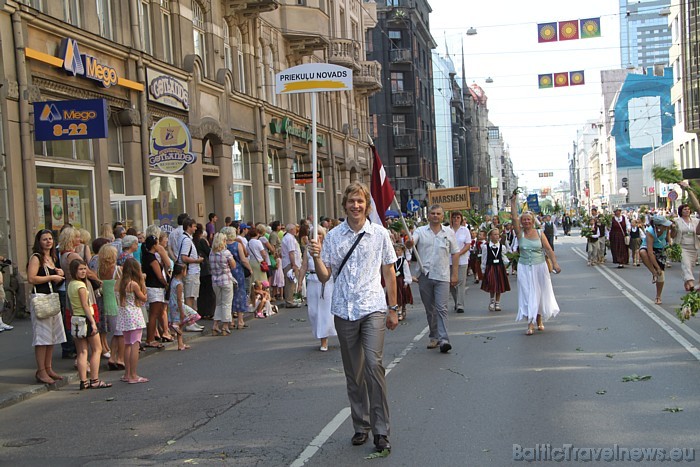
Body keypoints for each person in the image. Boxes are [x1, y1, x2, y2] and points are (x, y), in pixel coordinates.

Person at [308, 181, 398, 454]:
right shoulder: (334, 237)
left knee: (374, 366)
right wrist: (315, 257)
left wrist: (393, 308)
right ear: (345, 205)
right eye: (351, 202)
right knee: (354, 373)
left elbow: (389, 273)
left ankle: (381, 431)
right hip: (344, 310)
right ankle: (361, 425)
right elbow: (325, 276)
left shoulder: (379, 234)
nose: (356, 206)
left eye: (360, 202)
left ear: (367, 206)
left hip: (373, 307)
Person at [406, 204, 459, 353]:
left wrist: (454, 274)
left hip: (442, 275)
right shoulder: (420, 231)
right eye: (433, 213)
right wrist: (409, 243)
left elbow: (455, 253)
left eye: (438, 214)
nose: (435, 216)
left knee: (442, 308)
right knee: (430, 309)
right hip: (425, 275)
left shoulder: (448, 232)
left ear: (443, 216)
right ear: (428, 215)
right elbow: (412, 241)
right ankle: (434, 336)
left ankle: (444, 340)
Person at [510, 193, 561, 336]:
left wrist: (555, 264)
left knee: (539, 293)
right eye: (524, 220)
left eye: (528, 220)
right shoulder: (520, 234)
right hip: (524, 267)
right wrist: (513, 203)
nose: (526, 222)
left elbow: (548, 249)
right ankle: (530, 323)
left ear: (533, 221)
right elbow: (514, 218)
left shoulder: (539, 233)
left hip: (540, 267)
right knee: (527, 294)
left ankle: (539, 320)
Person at [27, 229, 66, 384]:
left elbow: (58, 278)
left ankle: (48, 368)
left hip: (52, 298)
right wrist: (51, 276)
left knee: (51, 336)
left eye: (50, 239)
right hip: (41, 298)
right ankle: (41, 371)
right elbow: (31, 278)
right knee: (42, 337)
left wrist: (60, 273)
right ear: (39, 241)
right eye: (44, 239)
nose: (48, 241)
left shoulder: (53, 257)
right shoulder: (37, 257)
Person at [67, 259, 111, 390]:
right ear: (74, 271)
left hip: (75, 319)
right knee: (97, 349)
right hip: (86, 318)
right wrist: (93, 322)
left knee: (82, 352)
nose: (83, 272)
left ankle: (83, 381)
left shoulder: (71, 284)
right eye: (80, 269)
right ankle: (94, 379)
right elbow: (85, 305)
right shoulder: (81, 286)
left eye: (84, 269)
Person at [298, 226, 336, 350]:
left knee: (325, 312)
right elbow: (304, 266)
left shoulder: (328, 248)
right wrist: (299, 283)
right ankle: (322, 334)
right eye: (314, 234)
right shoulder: (307, 250)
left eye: (320, 234)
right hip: (312, 281)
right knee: (313, 312)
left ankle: (324, 340)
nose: (317, 236)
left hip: (326, 282)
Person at [117, 258, 149, 383]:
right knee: (135, 344)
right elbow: (143, 297)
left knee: (127, 344)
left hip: (124, 315)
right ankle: (134, 375)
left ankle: (127, 374)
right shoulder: (134, 284)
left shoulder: (121, 283)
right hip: (134, 314)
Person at [97, 245, 125, 372]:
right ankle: (120, 357)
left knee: (116, 333)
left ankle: (112, 357)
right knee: (121, 334)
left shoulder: (99, 271)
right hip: (116, 302)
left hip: (105, 304)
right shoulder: (117, 270)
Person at [639, 215, 676, 305]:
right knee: (643, 253)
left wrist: (670, 246)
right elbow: (650, 252)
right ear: (657, 226)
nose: (665, 227)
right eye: (663, 225)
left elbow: (670, 239)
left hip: (661, 248)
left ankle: (658, 296)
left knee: (661, 274)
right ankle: (653, 272)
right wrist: (656, 267)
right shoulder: (650, 232)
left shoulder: (666, 228)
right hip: (649, 247)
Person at [141, 235, 170, 348]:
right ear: (154, 245)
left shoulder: (146, 256)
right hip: (155, 287)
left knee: (153, 313)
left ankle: (151, 337)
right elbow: (159, 275)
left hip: (151, 286)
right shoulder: (152, 259)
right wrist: (165, 283)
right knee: (154, 314)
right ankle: (150, 338)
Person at [209, 232, 237, 335]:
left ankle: (215, 325)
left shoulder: (211, 253)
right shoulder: (226, 253)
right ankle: (225, 326)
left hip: (215, 280)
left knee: (219, 303)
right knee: (227, 303)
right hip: (226, 279)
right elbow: (233, 265)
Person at [223, 226, 250, 330]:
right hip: (237, 271)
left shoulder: (223, 245)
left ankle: (231, 321)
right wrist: (249, 269)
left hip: (227, 271)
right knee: (240, 294)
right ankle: (240, 320)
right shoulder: (237, 244)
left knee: (229, 295)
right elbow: (243, 259)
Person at [480, 228, 511, 311]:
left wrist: (508, 262)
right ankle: (492, 300)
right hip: (491, 268)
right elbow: (484, 259)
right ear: (490, 236)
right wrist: (483, 270)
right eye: (495, 234)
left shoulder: (502, 247)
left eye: (498, 234)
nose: (497, 236)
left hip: (499, 267)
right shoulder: (486, 247)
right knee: (492, 284)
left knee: (499, 285)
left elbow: (504, 257)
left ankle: (497, 302)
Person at [167, 263, 196, 350]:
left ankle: (180, 343)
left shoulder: (173, 281)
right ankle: (175, 327)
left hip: (172, 304)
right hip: (178, 305)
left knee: (180, 323)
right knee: (182, 321)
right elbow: (179, 299)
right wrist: (182, 311)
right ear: (182, 272)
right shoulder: (179, 284)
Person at [672, 204, 700, 291]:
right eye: (685, 209)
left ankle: (686, 281)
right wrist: (673, 229)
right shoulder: (676, 221)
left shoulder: (695, 221)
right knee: (686, 264)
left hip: (694, 246)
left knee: (690, 266)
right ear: (681, 211)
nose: (687, 211)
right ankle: (691, 284)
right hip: (682, 246)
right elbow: (673, 235)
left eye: (688, 209)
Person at [449, 211, 472, 313]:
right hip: (449, 260)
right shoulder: (447, 230)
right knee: (451, 283)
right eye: (454, 217)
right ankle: (456, 301)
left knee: (461, 282)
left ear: (461, 219)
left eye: (458, 217)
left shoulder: (465, 230)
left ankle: (460, 305)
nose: (456, 219)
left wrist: (459, 253)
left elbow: (467, 244)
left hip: (462, 260)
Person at [281, 223, 302, 308]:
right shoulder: (289, 238)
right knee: (290, 282)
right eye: (295, 229)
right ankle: (289, 300)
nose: (296, 230)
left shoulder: (289, 237)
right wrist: (294, 264)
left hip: (290, 262)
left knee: (293, 282)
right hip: (290, 263)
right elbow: (291, 252)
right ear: (291, 230)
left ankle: (292, 299)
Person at [392, 243, 413, 321]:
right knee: (396, 296)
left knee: (402, 296)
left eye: (398, 250)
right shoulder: (392, 260)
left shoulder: (403, 261)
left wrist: (406, 281)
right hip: (394, 280)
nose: (397, 252)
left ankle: (402, 309)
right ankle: (398, 311)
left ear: (402, 251)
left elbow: (406, 271)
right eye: (395, 250)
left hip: (401, 280)